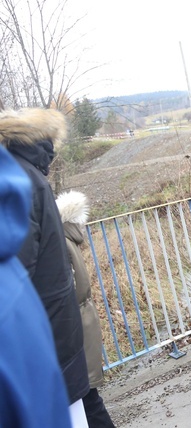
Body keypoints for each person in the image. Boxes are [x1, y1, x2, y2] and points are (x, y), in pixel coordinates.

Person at [0, 107, 90, 427]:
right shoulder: (31, 176)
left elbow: (17, 271)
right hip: (53, 330)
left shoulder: (18, 179)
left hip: (41, 339)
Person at [56, 190, 116, 427]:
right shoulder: (68, 238)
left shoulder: (56, 244)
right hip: (83, 324)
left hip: (72, 330)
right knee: (88, 401)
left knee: (87, 403)